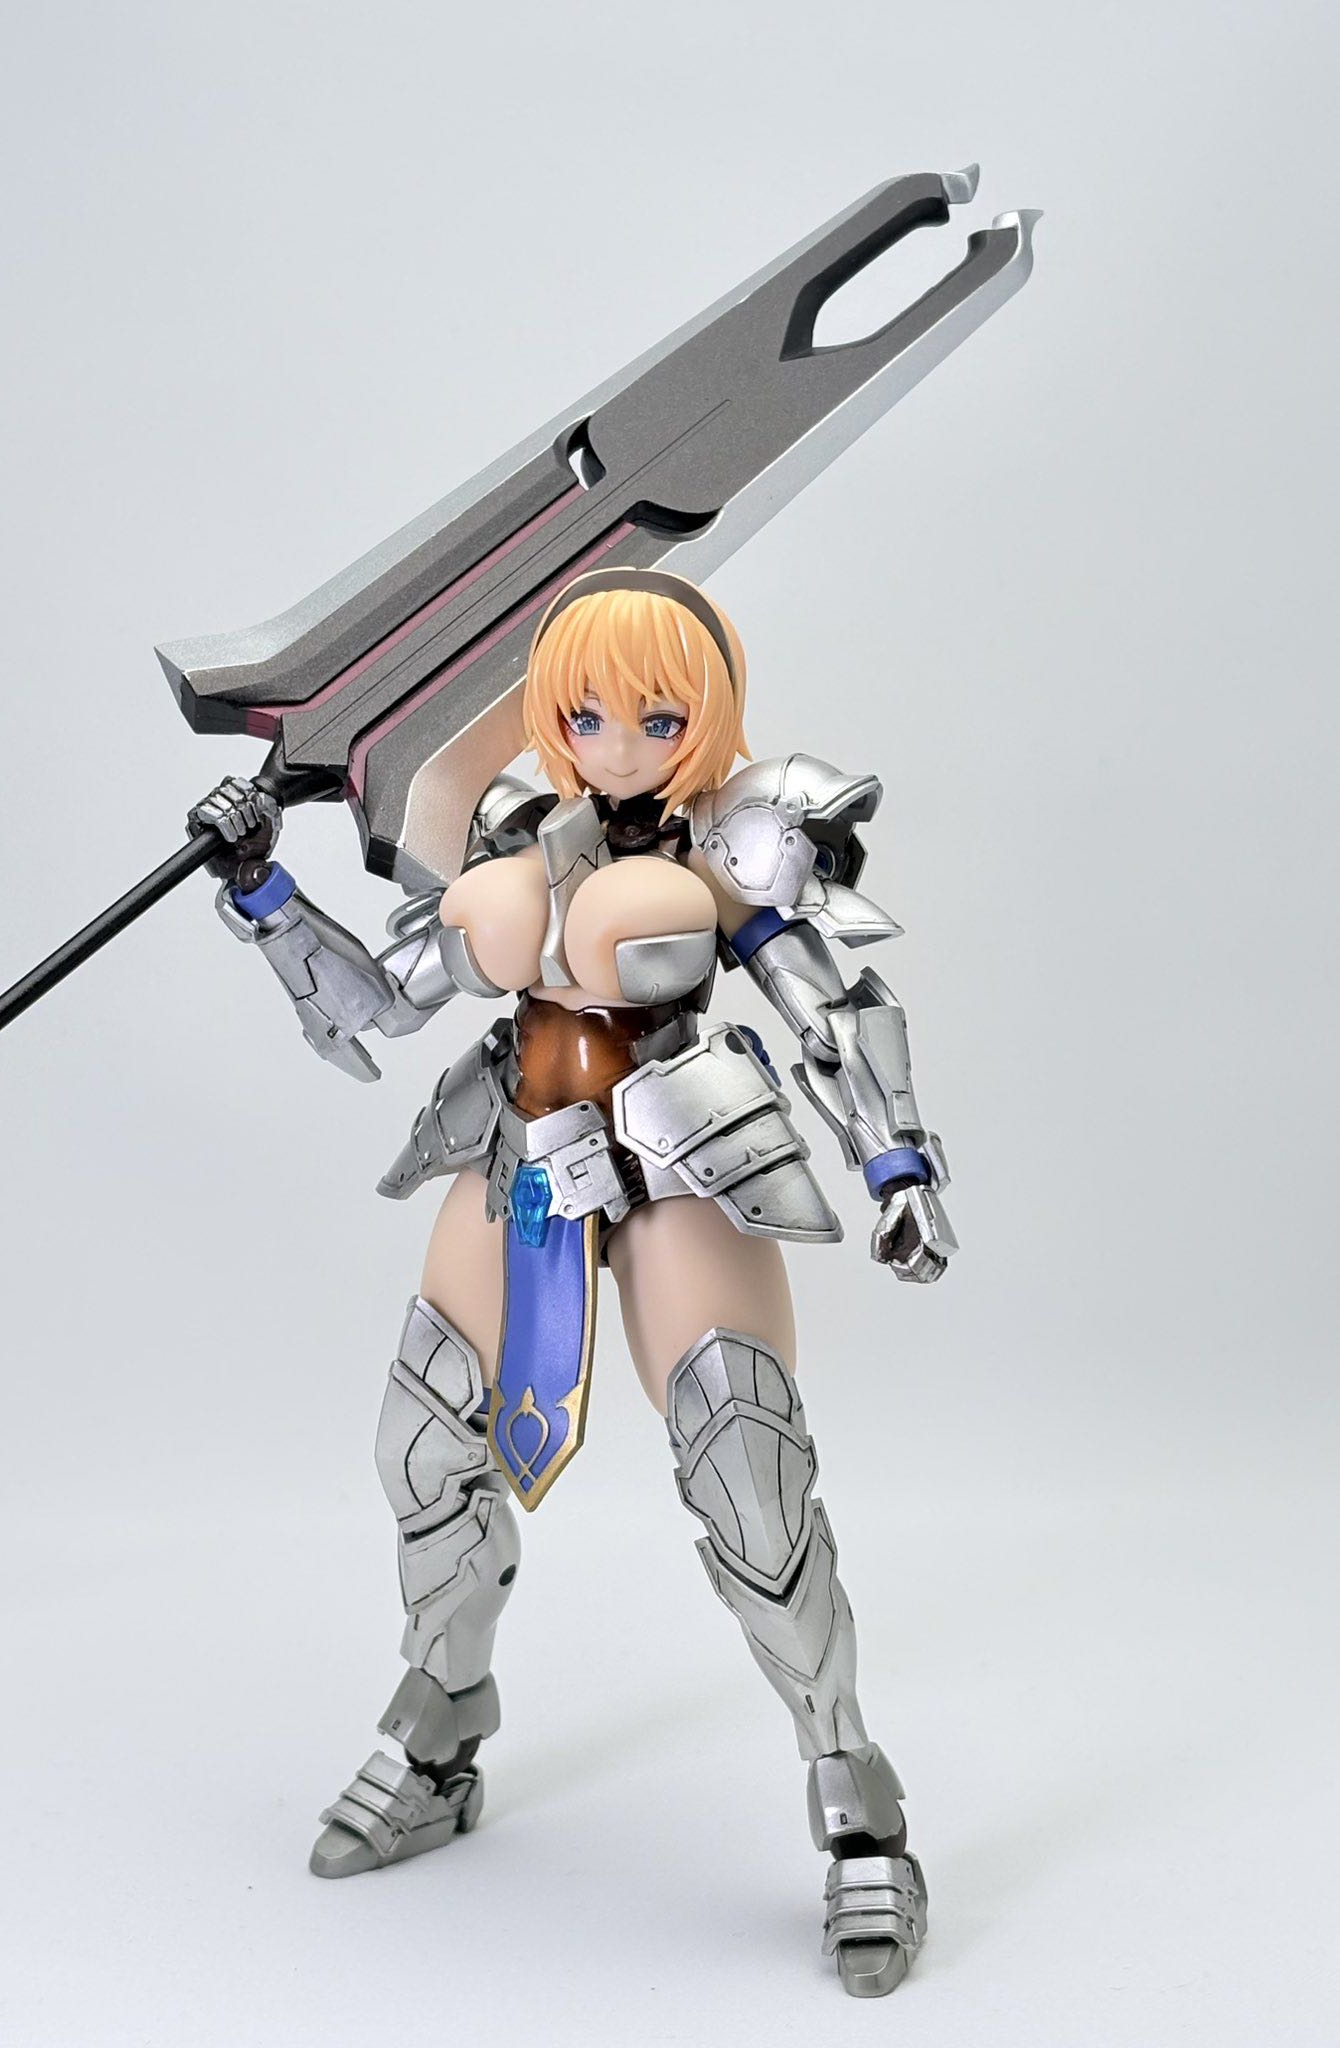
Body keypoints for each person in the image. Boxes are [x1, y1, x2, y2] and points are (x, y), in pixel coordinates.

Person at [193, 566, 957, 1999]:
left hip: (681, 1143)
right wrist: (261, 890)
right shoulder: (507, 832)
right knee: (422, 1441)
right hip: (519, 1138)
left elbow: (832, 1004)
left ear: (706, 714)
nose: (618, 743)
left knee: (749, 1471)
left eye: (657, 717)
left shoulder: (740, 835)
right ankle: (441, 1724)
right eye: (587, 714)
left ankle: (858, 1807)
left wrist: (898, 1163)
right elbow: (385, 999)